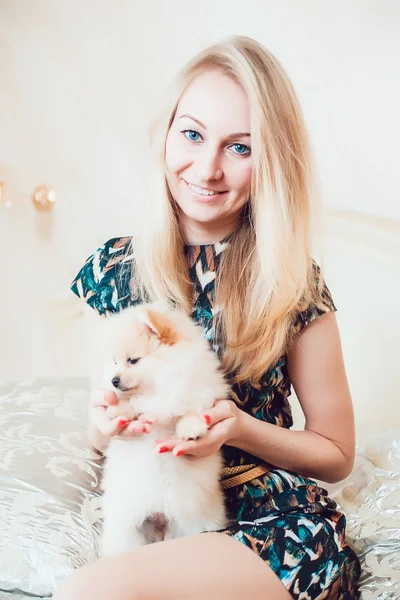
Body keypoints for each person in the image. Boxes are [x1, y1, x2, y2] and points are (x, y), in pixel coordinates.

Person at [55, 35, 361, 600]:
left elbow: (338, 454)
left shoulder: (293, 280)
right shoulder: (112, 269)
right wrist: (106, 427)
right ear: (166, 133)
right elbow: (101, 426)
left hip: (272, 524)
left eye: (240, 148)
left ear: (270, 159)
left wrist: (238, 427)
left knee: (90, 593)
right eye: (192, 134)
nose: (207, 168)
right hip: (151, 499)